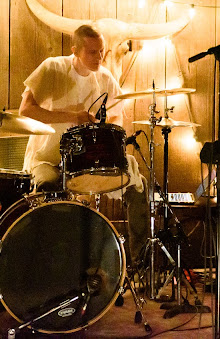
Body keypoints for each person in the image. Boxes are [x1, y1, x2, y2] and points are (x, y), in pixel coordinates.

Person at [19, 24, 149, 264]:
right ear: (75, 50)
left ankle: (140, 261)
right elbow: (25, 109)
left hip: (88, 160)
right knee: (47, 186)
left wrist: (104, 128)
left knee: (138, 183)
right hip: (48, 158)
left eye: (101, 51)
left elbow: (118, 115)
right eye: (92, 52)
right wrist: (71, 116)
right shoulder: (53, 68)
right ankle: (48, 262)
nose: (99, 57)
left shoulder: (105, 76)